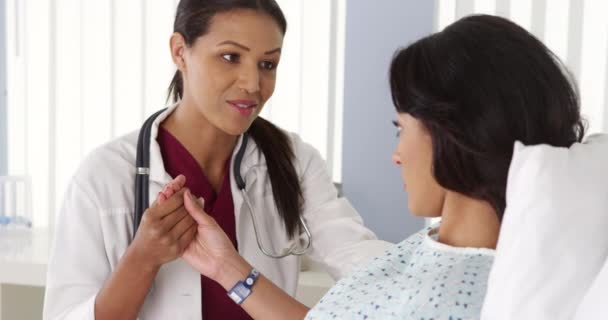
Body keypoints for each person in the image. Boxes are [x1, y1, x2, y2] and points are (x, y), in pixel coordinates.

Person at [168, 14, 586, 319]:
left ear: (451, 134)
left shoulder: (457, 292)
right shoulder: (435, 250)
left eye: (400, 128)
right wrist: (227, 268)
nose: (396, 154)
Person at [42, 1, 391, 319]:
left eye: (267, 64)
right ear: (180, 52)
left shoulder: (295, 160)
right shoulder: (105, 175)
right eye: (230, 57)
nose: (253, 83)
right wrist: (143, 258)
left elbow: (362, 262)